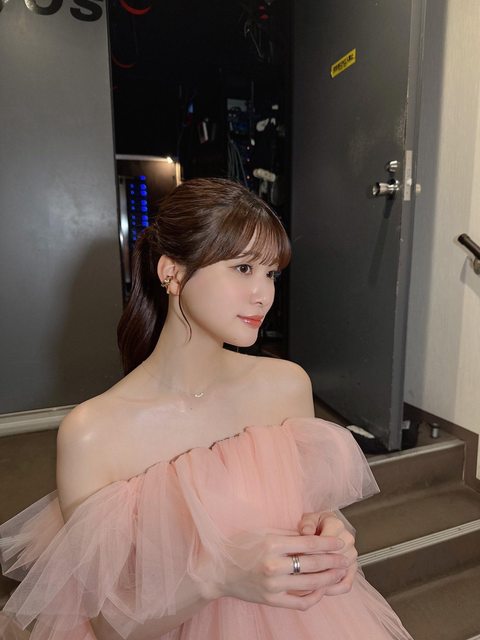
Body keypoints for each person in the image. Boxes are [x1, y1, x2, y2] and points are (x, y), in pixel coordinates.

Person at [0, 178, 413, 640]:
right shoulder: (94, 432)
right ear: (172, 273)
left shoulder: (286, 386)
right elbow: (108, 627)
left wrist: (328, 532)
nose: (264, 295)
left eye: (271, 274)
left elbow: (311, 509)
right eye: (243, 268)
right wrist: (217, 576)